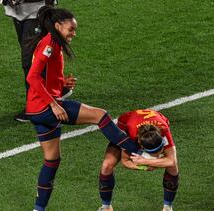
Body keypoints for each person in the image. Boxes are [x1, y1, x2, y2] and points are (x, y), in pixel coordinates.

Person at [25, 6, 140, 211]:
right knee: (100, 116)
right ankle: (137, 151)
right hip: (46, 107)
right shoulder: (49, 44)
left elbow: (45, 78)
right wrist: (53, 103)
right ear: (58, 25)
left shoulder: (52, 43)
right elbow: (32, 77)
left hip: (36, 112)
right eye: (71, 29)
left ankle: (38, 209)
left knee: (51, 160)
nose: (73, 33)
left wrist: (62, 84)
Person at [0, 0, 71, 122]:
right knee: (33, 56)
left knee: (29, 61)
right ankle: (58, 89)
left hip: (36, 12)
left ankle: (35, 106)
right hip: (19, 13)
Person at [98, 109, 179, 211]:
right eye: (153, 153)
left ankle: (167, 207)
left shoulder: (163, 130)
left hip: (156, 119)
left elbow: (172, 161)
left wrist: (145, 161)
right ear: (140, 147)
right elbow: (125, 161)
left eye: (161, 149)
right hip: (125, 125)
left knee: (173, 167)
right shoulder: (129, 138)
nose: (159, 154)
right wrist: (143, 168)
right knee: (106, 165)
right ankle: (106, 207)